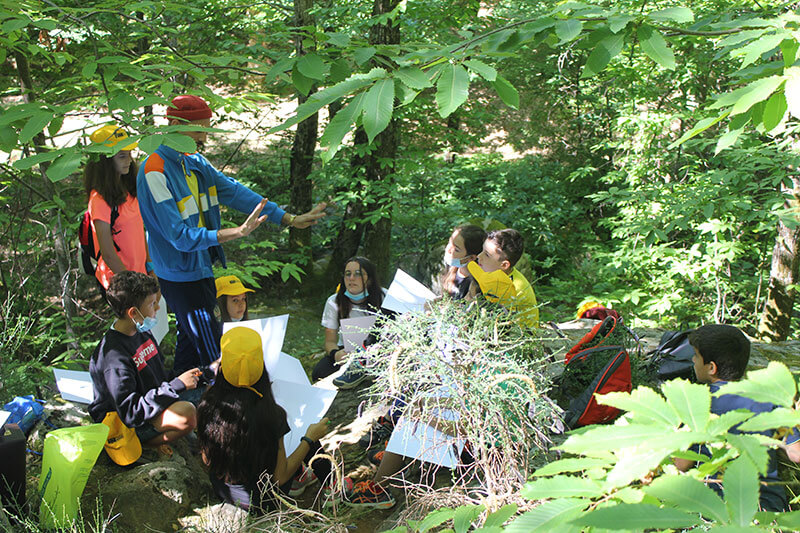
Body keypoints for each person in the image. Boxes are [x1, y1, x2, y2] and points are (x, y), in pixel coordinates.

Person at [136, 94, 326, 373]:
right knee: (216, 353)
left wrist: (287, 218)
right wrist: (234, 233)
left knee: (191, 347)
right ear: (175, 124)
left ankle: (181, 398)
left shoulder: (194, 162)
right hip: (180, 275)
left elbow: (235, 192)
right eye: (199, 129)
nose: (204, 137)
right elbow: (180, 237)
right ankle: (227, 410)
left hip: (200, 267)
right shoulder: (154, 171)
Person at [197, 327, 345, 512]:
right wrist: (309, 439)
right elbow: (280, 477)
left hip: (225, 493)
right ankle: (335, 486)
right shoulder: (271, 415)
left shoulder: (206, 405)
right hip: (264, 500)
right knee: (307, 433)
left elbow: (206, 460)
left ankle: (301, 478)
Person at [673, 324, 800, 511]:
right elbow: (796, 454)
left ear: (711, 367)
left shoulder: (695, 403)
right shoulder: (771, 399)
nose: (693, 360)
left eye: (696, 356)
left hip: (715, 509)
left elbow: (682, 465)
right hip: (767, 507)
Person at [88, 271, 200, 449]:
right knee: (187, 414)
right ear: (133, 312)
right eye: (152, 304)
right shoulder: (114, 356)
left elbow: (160, 376)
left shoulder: (142, 332)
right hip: (127, 426)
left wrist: (200, 373)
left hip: (151, 403)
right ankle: (147, 446)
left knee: (207, 387)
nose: (157, 308)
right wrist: (177, 385)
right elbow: (131, 412)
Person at [84, 124, 155, 292]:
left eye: (130, 155)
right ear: (105, 161)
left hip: (141, 278)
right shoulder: (99, 199)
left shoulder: (129, 190)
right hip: (120, 284)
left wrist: (150, 269)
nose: (129, 160)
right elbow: (107, 253)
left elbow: (139, 233)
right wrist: (133, 286)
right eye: (122, 156)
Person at [313, 257, 386, 383]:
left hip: (377, 351)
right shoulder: (334, 302)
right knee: (320, 371)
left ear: (370, 279)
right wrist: (336, 354)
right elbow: (330, 342)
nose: (351, 278)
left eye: (358, 274)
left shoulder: (384, 296)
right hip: (348, 351)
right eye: (348, 274)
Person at [473, 228, 539, 328]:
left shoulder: (512, 288)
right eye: (482, 250)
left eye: (487, 255)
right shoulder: (496, 273)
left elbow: (501, 325)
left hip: (519, 336)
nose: (479, 256)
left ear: (504, 265)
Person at [440, 224, 486, 300]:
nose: (448, 250)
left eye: (456, 249)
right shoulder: (452, 269)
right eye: (449, 242)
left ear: (471, 257)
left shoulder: (475, 285)